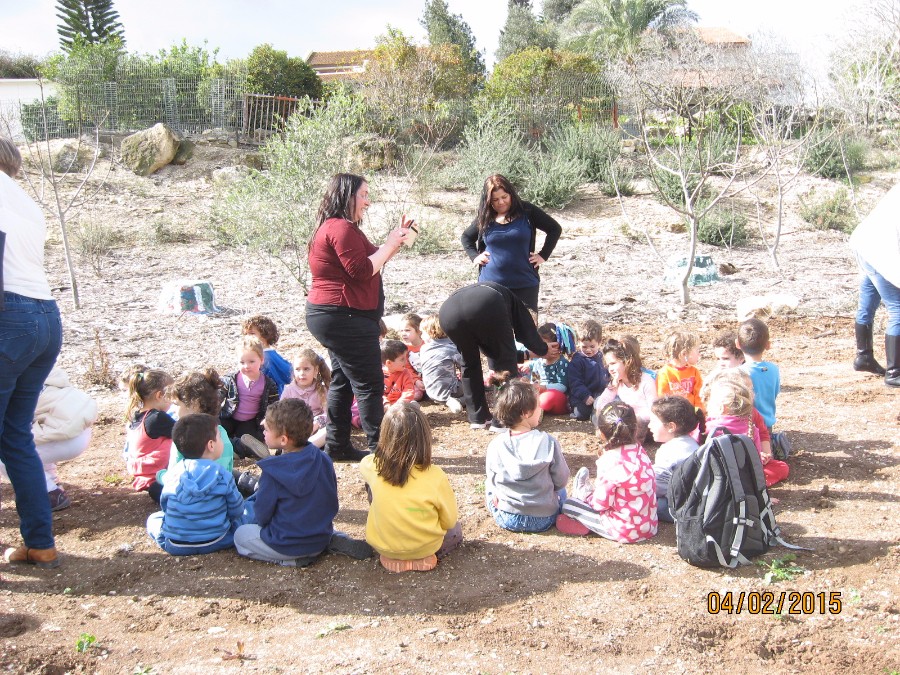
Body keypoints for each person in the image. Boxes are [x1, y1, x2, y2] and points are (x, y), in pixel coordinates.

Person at [306, 173, 413, 461]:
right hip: (344, 317)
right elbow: (362, 270)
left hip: (334, 315)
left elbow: (369, 264)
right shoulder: (341, 229)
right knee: (369, 383)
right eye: (363, 194)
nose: (368, 201)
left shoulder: (335, 228)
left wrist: (393, 243)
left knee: (342, 379)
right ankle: (383, 453)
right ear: (347, 195)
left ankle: (337, 445)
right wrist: (390, 245)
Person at [0, 137, 65, 569]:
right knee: (14, 434)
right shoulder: (24, 199)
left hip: (10, 315)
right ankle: (40, 542)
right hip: (44, 315)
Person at [234, 399, 371, 566]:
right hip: (320, 534)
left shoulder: (272, 473)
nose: (263, 430)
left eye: (267, 429)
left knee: (240, 536)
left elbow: (262, 514)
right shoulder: (324, 459)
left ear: (283, 440)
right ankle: (331, 539)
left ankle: (291, 559)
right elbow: (331, 502)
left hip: (287, 542)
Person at [438, 281, 558, 430]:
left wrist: (527, 354)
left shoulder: (497, 295)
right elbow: (525, 333)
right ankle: (503, 421)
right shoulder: (515, 304)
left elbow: (490, 349)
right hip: (486, 303)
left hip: (447, 312)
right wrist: (542, 349)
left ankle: (478, 418)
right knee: (505, 365)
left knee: (469, 363)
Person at [360, 402, 461, 572]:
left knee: (371, 486)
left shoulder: (374, 467)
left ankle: (394, 552)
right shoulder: (435, 475)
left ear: (385, 436)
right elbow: (449, 521)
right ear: (424, 437)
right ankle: (421, 555)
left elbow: (365, 462)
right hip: (426, 546)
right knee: (455, 530)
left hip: (383, 545)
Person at [146, 414, 248, 556]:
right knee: (245, 514)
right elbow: (236, 509)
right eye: (219, 437)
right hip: (218, 540)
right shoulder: (222, 474)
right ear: (211, 445)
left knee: (153, 519)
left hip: (176, 545)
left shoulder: (173, 474)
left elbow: (165, 504)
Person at [556, 402, 658, 542]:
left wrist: (588, 499)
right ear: (635, 429)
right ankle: (584, 499)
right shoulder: (640, 452)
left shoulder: (610, 461)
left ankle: (582, 499)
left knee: (569, 505)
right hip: (649, 526)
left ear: (601, 433)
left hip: (622, 530)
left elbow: (600, 504)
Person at [0, 366, 96, 512]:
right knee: (34, 427)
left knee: (7, 454)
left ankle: (50, 493)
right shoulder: (26, 358)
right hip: (81, 426)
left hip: (64, 437)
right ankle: (52, 480)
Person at [460, 174, 562, 312]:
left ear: (511, 194)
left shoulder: (527, 211)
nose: (501, 202)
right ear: (488, 201)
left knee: (527, 331)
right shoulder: (485, 216)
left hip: (525, 283)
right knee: (495, 330)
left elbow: (554, 229)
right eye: (495, 199)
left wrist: (543, 255)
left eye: (504, 197)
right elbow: (466, 237)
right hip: (491, 285)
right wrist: (475, 256)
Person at [485, 379, 570, 533]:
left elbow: (492, 479)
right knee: (562, 491)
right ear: (526, 413)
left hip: (508, 516)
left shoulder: (496, 445)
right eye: (538, 405)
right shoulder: (548, 442)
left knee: (489, 487)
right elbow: (561, 480)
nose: (541, 408)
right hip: (544, 517)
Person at [152, 368, 239, 501]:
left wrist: (161, 475)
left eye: (177, 404)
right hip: (219, 498)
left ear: (195, 404)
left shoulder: (182, 436)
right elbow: (227, 470)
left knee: (155, 489)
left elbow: (174, 477)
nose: (173, 410)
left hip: (190, 498)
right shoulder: (221, 433)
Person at [702, 367, 789, 488]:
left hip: (742, 465)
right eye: (746, 389)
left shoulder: (752, 413)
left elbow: (763, 433)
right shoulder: (710, 418)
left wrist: (765, 454)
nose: (750, 392)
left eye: (751, 388)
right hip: (726, 468)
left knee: (781, 467)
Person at [849, 182, 900, 387]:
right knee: (898, 309)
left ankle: (864, 357)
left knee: (868, 303)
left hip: (865, 243)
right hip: (882, 251)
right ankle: (894, 373)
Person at [220, 335, 279, 460]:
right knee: (217, 430)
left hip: (250, 420)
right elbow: (217, 396)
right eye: (242, 362)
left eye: (251, 361)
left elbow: (273, 405)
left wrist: (268, 421)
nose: (246, 366)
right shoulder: (231, 379)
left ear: (261, 360)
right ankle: (232, 447)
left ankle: (237, 448)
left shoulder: (268, 384)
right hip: (229, 416)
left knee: (249, 439)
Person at [121, 365, 175, 493]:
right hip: (156, 475)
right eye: (171, 396)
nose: (173, 401)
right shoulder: (157, 418)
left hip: (141, 473)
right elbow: (184, 433)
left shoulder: (138, 416)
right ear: (159, 395)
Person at [595, 338, 658, 444]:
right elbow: (601, 404)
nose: (610, 369)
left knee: (638, 420)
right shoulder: (617, 382)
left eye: (613, 363)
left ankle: (634, 444)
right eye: (608, 365)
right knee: (601, 407)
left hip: (647, 425)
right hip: (627, 421)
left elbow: (654, 410)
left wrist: (632, 417)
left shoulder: (646, 381)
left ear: (627, 361)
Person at [648, 395, 701, 522]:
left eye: (653, 422)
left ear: (671, 426)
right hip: (695, 502)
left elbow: (655, 484)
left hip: (679, 508)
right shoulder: (693, 443)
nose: (649, 426)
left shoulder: (669, 451)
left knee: (645, 502)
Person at [281, 348, 330, 448]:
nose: (302, 373)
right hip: (295, 428)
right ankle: (295, 447)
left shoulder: (321, 390)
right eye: (298, 369)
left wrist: (316, 424)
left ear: (315, 370)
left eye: (306, 369)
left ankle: (306, 447)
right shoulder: (289, 390)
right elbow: (280, 412)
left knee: (329, 430)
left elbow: (328, 413)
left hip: (316, 427)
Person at [737, 319, 780, 433]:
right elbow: (775, 393)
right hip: (767, 426)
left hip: (747, 427)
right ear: (768, 345)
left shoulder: (739, 372)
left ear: (737, 344)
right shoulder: (774, 369)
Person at [417, 315, 464, 413]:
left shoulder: (423, 348)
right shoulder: (452, 348)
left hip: (429, 390)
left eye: (422, 333)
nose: (421, 336)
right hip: (452, 391)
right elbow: (464, 367)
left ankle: (445, 400)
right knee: (473, 390)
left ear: (431, 332)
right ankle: (457, 400)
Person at [568, 319, 609, 421]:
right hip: (583, 396)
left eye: (592, 346)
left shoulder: (603, 357)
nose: (588, 350)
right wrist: (585, 396)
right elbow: (575, 382)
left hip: (600, 393)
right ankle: (574, 409)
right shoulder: (577, 360)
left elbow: (609, 374)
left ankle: (597, 412)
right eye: (584, 346)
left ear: (599, 343)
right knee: (581, 414)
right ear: (579, 343)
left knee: (605, 407)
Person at [242, 315, 292, 395]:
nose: (248, 337)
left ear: (265, 335)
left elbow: (290, 373)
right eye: (246, 334)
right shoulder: (247, 355)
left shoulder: (269, 356)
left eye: (252, 334)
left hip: (270, 399)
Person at [529, 322, 570, 414]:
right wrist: (532, 386)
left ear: (556, 346)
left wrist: (544, 387)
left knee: (547, 398)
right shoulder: (538, 363)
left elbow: (562, 387)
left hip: (557, 397)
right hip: (540, 393)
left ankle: (538, 408)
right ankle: (537, 409)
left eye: (543, 345)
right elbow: (535, 381)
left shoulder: (562, 363)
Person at [656, 330, 703, 409]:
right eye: (697, 351)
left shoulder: (694, 372)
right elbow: (663, 399)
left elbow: (699, 395)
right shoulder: (665, 373)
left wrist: (699, 411)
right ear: (684, 354)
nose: (699, 354)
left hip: (691, 412)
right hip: (673, 412)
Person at [398, 312, 426, 400]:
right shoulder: (403, 349)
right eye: (401, 330)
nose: (403, 333)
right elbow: (407, 368)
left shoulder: (427, 344)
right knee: (416, 395)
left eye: (407, 330)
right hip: (415, 380)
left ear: (418, 330)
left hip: (430, 377)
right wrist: (416, 380)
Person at [382, 340, 417, 408]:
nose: (406, 361)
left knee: (414, 405)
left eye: (406, 357)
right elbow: (377, 394)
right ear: (389, 363)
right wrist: (385, 404)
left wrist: (400, 403)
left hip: (401, 404)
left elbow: (409, 390)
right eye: (402, 359)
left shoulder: (406, 373)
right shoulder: (379, 375)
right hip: (385, 405)